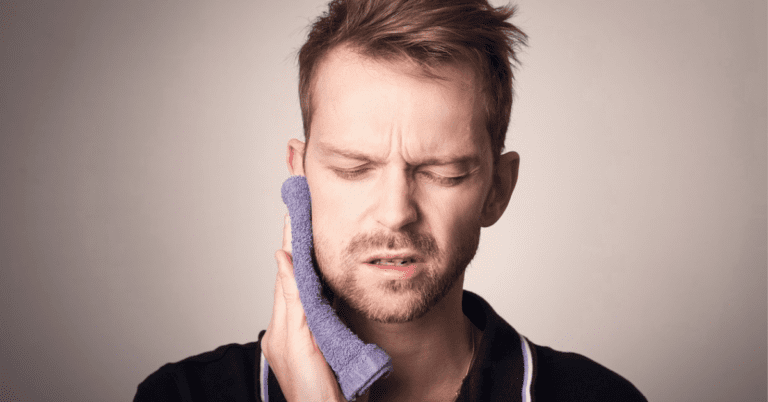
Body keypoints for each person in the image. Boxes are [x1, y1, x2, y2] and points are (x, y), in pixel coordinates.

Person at [134, 0, 647, 400]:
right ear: (300, 177)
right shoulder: (180, 396)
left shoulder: (601, 398)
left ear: (497, 190)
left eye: (442, 172)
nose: (396, 211)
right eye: (353, 169)